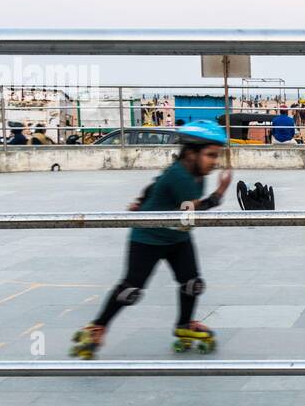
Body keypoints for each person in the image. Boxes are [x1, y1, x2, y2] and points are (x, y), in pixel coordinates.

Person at [70, 120, 232, 359]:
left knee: (192, 284)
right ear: (191, 153)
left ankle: (184, 325)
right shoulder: (181, 175)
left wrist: (141, 200)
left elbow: (157, 182)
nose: (214, 162)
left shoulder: (194, 171)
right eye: (210, 155)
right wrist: (220, 193)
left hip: (177, 237)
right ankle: (97, 327)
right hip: (148, 239)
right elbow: (193, 208)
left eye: (215, 155)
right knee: (131, 290)